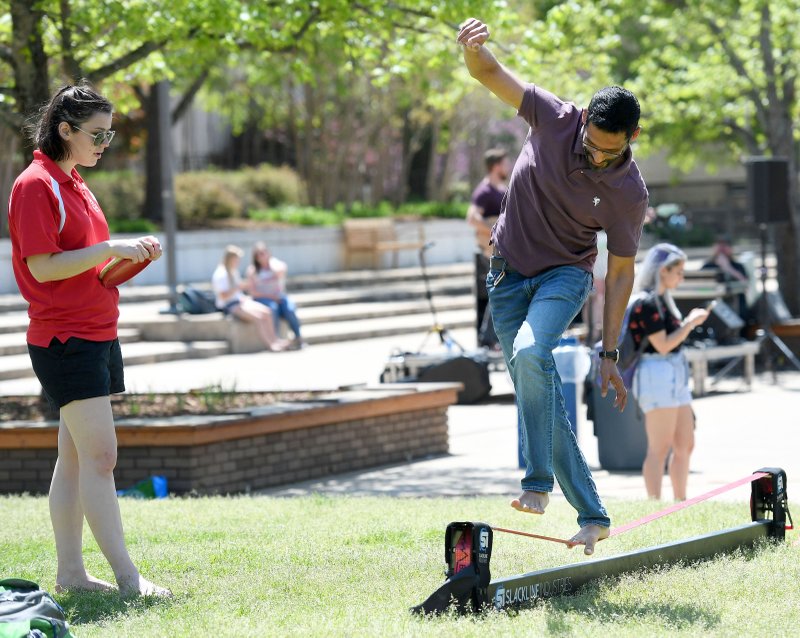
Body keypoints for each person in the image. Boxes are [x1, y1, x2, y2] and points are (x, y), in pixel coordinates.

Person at [457, 18, 649, 555]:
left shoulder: (628, 192)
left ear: (632, 137)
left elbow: (621, 271)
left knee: (528, 351)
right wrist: (473, 51)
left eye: (611, 151)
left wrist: (609, 351)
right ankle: (593, 516)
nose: (599, 157)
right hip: (506, 273)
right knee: (536, 384)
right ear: (584, 120)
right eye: (594, 145)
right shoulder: (555, 116)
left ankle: (537, 484)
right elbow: (490, 72)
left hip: (565, 275)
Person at [7, 82, 170, 596]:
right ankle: (128, 579)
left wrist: (128, 260)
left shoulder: (74, 181)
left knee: (76, 459)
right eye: (97, 134)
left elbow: (91, 272)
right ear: (65, 130)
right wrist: (108, 246)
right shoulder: (36, 184)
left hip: (95, 332)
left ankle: (73, 576)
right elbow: (42, 266)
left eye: (109, 133)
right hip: (64, 339)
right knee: (101, 459)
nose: (105, 143)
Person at [627, 243, 711, 500]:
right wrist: (689, 324)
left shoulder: (663, 300)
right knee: (659, 447)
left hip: (672, 372)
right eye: (679, 271)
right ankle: (654, 504)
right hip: (656, 372)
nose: (681, 277)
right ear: (663, 270)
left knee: (685, 443)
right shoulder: (647, 302)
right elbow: (663, 345)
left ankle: (680, 502)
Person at [467, 148, 509, 348]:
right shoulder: (484, 191)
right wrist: (494, 230)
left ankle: (492, 337)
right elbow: (472, 218)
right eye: (504, 163)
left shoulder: (501, 189)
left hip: (504, 250)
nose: (507, 167)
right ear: (496, 166)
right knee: (499, 290)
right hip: (489, 251)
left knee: (502, 291)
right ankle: (487, 337)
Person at [211, 245, 289, 352]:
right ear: (230, 259)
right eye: (236, 260)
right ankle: (270, 344)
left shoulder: (233, 271)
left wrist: (244, 296)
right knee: (258, 317)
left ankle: (276, 339)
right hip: (229, 305)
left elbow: (237, 293)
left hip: (239, 301)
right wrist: (238, 287)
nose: (238, 262)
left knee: (267, 311)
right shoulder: (220, 274)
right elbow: (223, 296)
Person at [245, 242, 305, 348]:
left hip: (279, 296)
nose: (261, 256)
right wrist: (271, 297)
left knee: (290, 309)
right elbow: (252, 292)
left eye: (263, 253)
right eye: (258, 254)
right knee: (272, 308)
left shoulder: (275, 265)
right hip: (263, 298)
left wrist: (270, 264)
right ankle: (276, 339)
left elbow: (281, 271)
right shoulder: (252, 270)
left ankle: (299, 337)